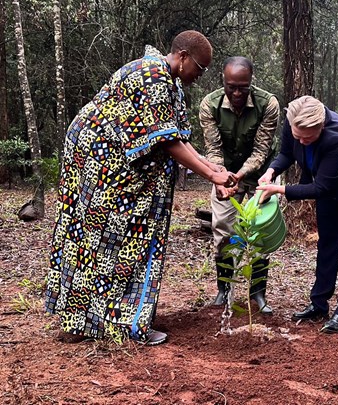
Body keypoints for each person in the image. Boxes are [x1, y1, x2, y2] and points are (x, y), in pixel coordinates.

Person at [45, 30, 236, 346]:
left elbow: (175, 137)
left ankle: (90, 321)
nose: (199, 76)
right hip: (101, 162)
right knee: (107, 237)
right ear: (183, 56)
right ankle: (106, 323)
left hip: (110, 162)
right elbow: (167, 142)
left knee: (102, 238)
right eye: (200, 69)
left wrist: (210, 166)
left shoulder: (167, 80)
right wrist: (211, 175)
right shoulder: (152, 77)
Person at [257, 95, 338, 334]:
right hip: (327, 187)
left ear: (321, 126)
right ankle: (319, 303)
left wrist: (279, 190)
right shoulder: (294, 122)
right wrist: (271, 172)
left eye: (308, 138)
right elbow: (286, 154)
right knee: (327, 244)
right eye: (297, 136)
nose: (301, 142)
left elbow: (323, 187)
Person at [199, 56, 280, 315]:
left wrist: (241, 174)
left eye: (242, 88)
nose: (236, 93)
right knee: (222, 228)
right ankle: (224, 289)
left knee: (260, 230)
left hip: (260, 175)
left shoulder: (268, 104)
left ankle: (258, 292)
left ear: (250, 83)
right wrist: (221, 177)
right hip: (223, 173)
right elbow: (212, 148)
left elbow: (261, 149)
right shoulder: (209, 105)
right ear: (223, 81)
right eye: (230, 86)